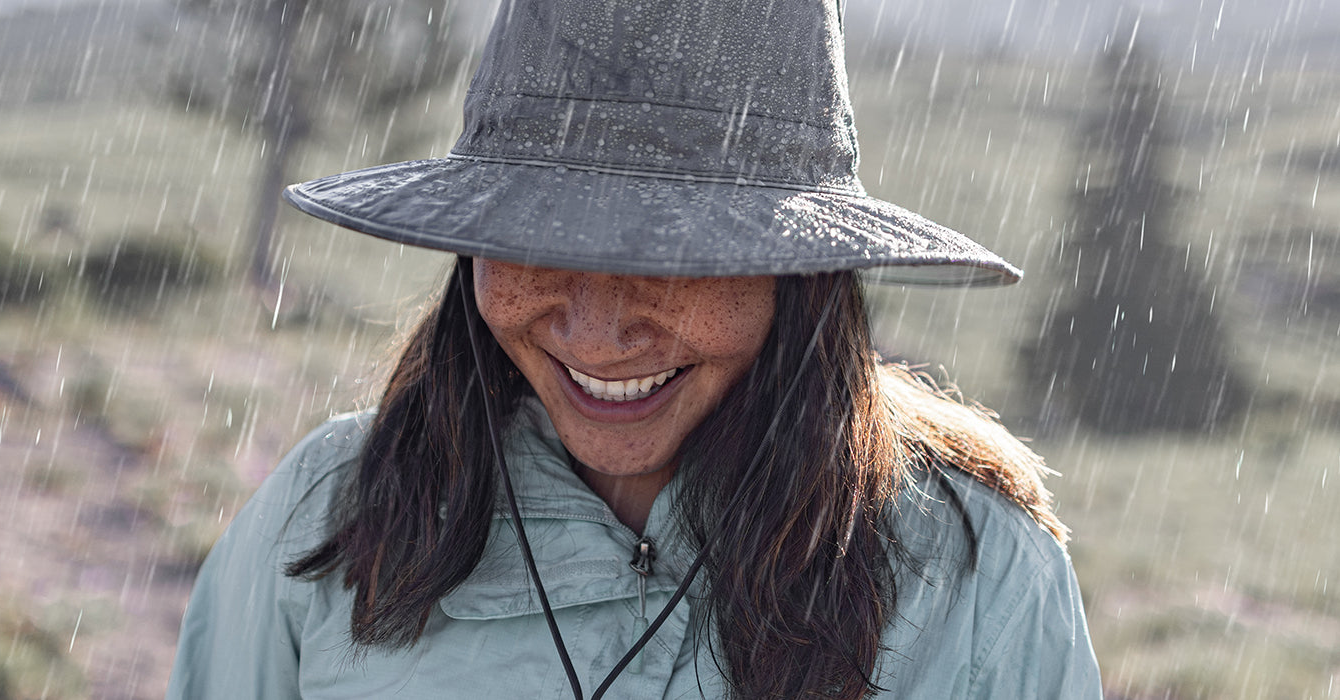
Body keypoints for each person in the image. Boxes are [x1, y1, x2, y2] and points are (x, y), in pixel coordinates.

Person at [167, 0, 1102, 697]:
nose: (599, 333)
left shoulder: (981, 581)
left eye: (676, 253)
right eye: (538, 239)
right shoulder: (332, 516)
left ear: (802, 275)